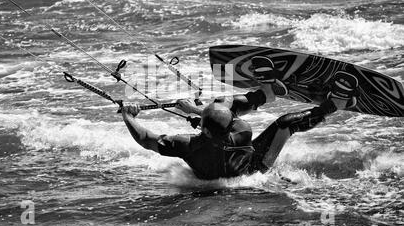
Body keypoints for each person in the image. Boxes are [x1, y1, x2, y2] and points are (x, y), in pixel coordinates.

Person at [121, 56, 359, 180]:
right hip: (254, 169)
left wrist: (127, 115)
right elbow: (227, 110)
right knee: (286, 124)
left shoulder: (186, 146)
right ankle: (325, 103)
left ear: (203, 129)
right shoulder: (242, 131)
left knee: (224, 105)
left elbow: (144, 138)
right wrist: (195, 110)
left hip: (219, 170)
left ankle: (267, 94)